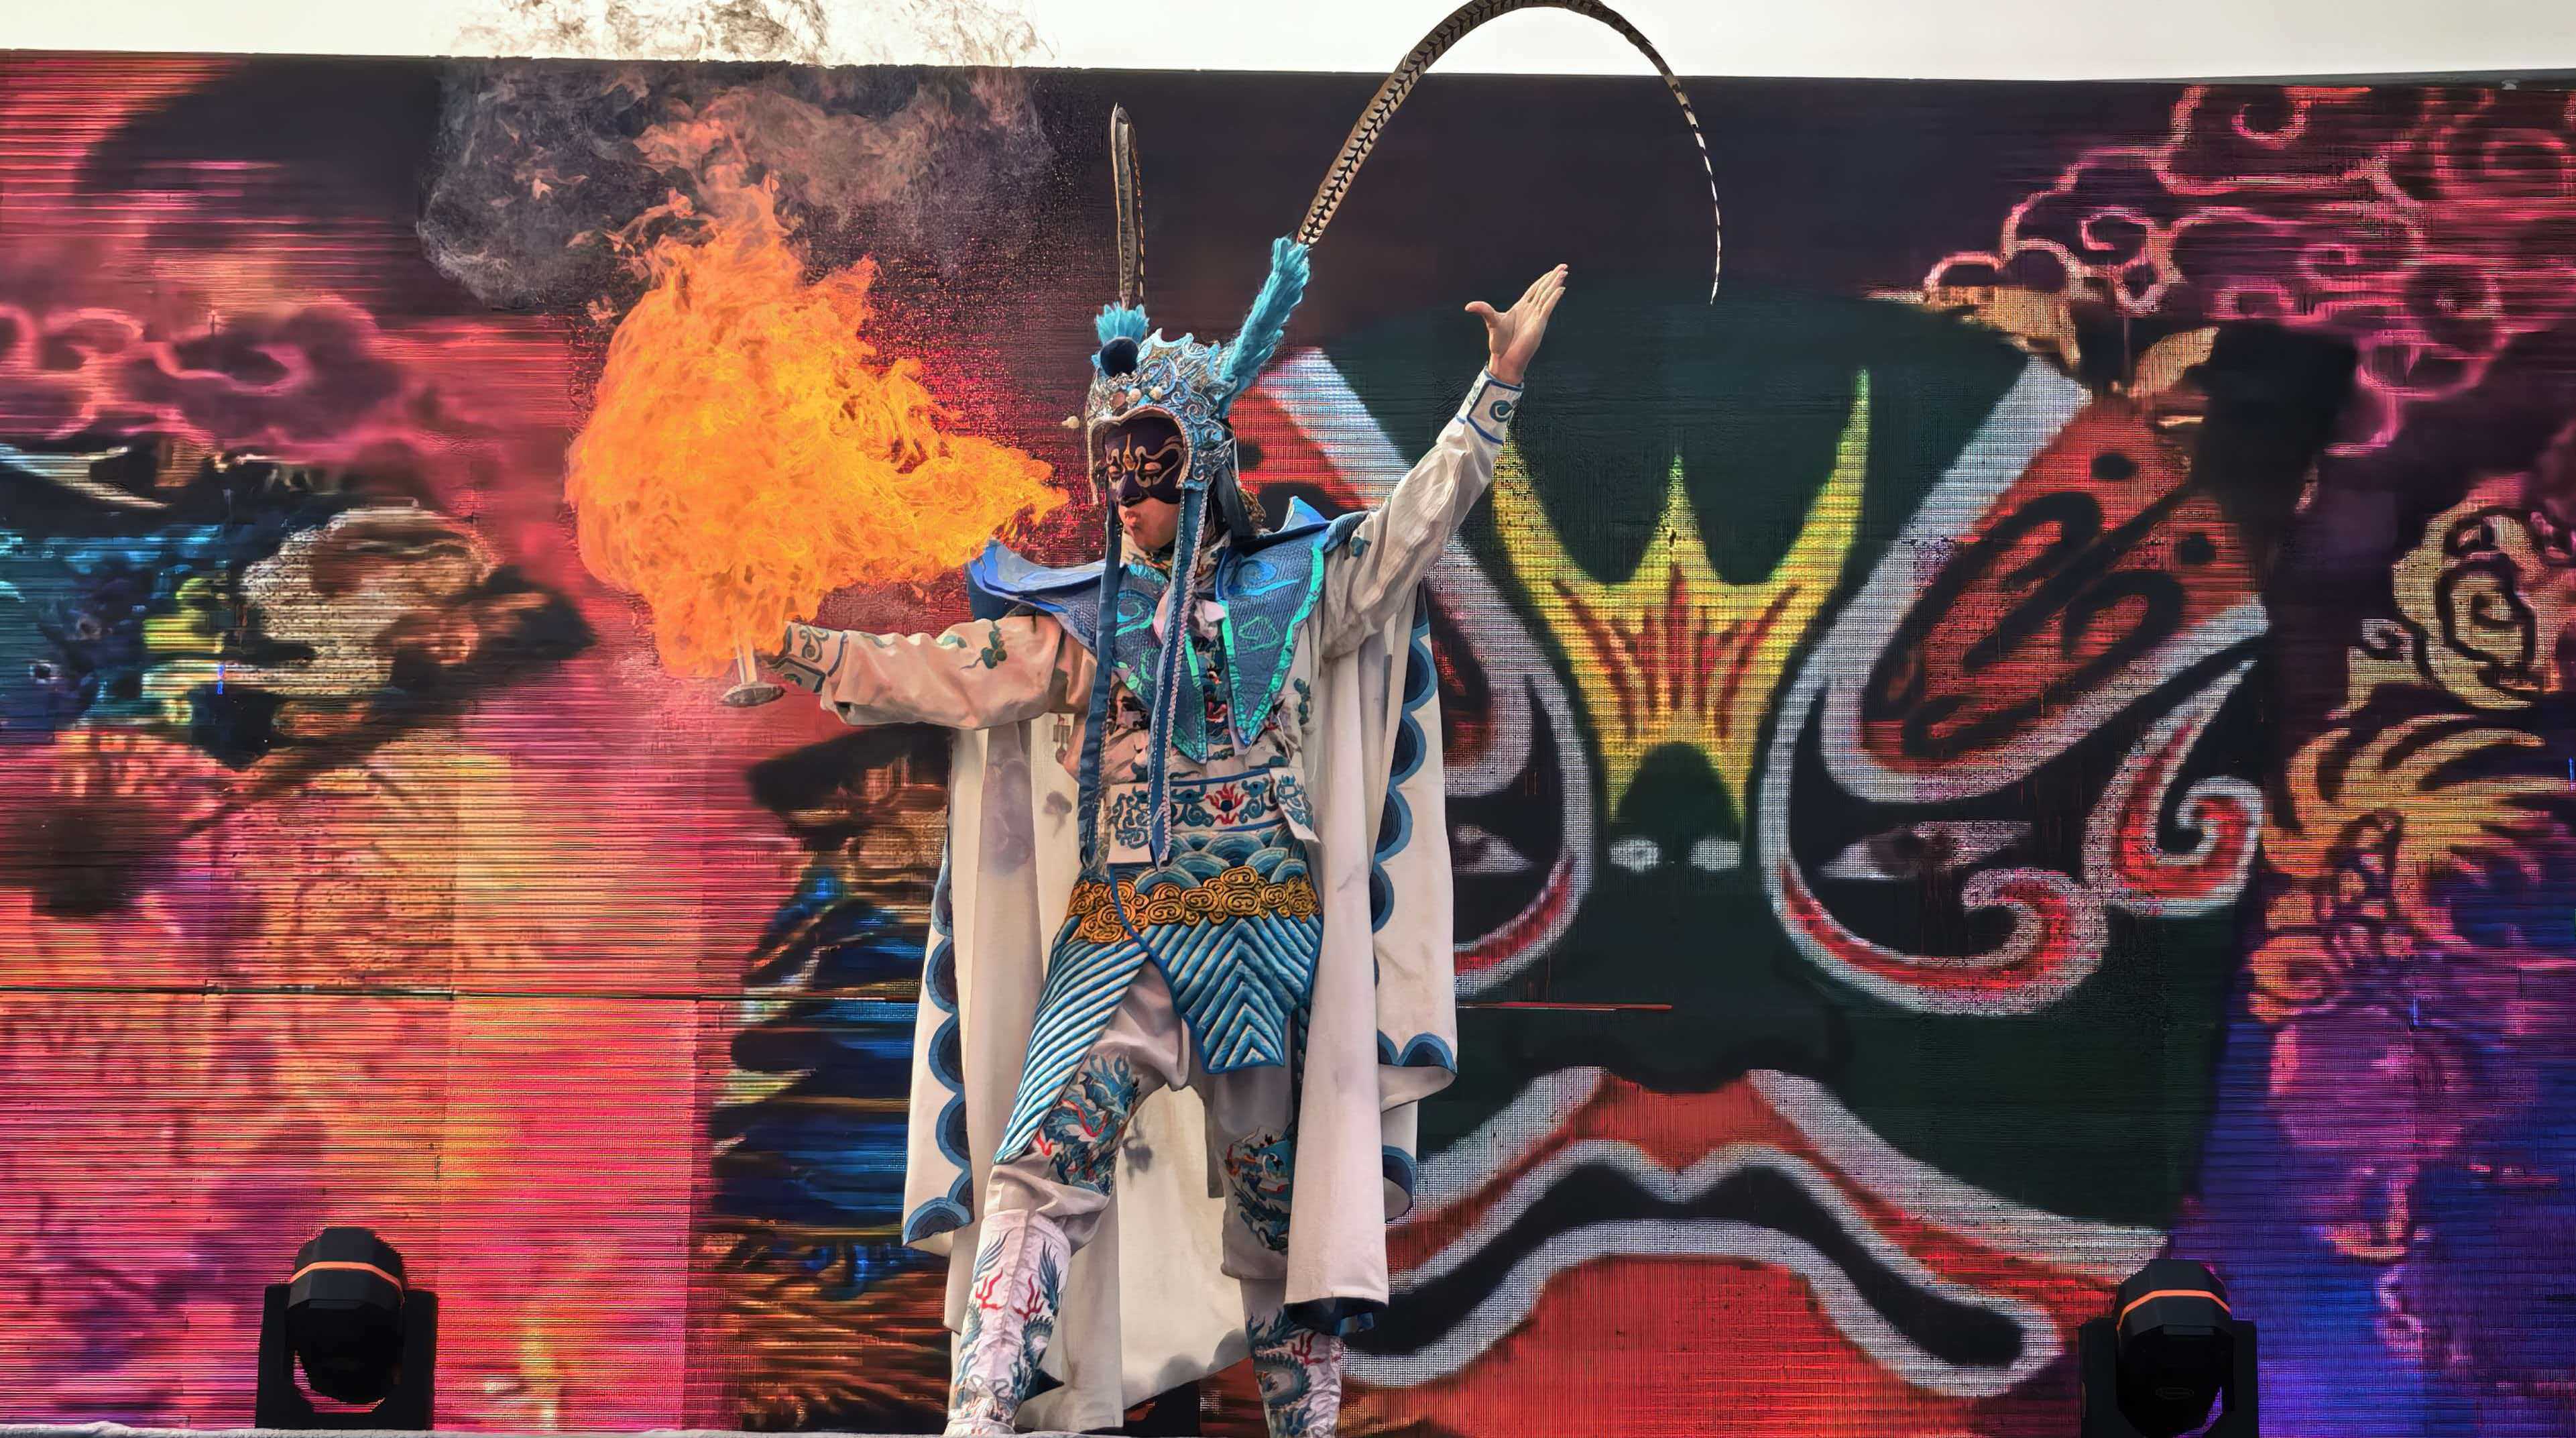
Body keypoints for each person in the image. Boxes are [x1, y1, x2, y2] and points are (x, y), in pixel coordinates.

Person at [765, 6, 1717, 1431]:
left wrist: (1495, 390)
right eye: (1111, 460)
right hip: (1121, 930)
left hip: (1268, 935)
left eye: (1149, 458)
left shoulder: (1297, 585)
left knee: (1283, 1217)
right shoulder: (1077, 617)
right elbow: (944, 672)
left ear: (1202, 461)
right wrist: (791, 643)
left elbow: (1411, 531)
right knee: (1037, 1171)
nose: (1126, 487)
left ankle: (1301, 1423)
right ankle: (979, 1415)